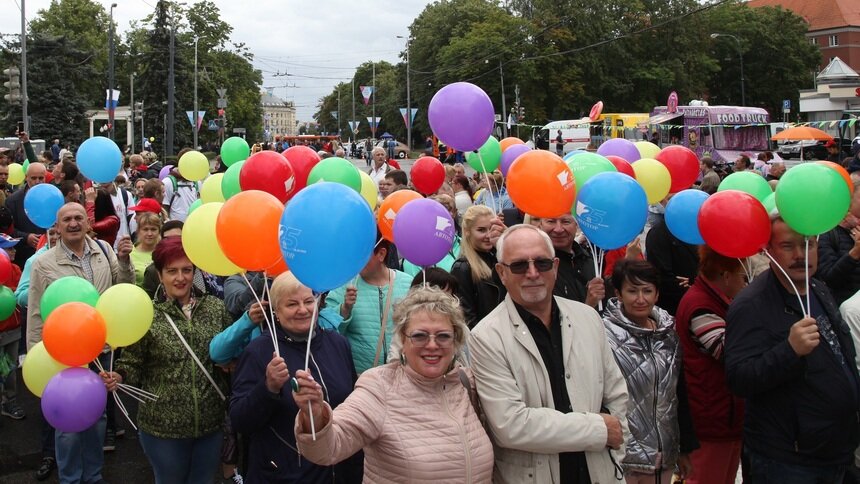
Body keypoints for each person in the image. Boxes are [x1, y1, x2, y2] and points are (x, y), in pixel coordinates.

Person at [469, 224, 629, 483]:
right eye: (519, 265)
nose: (532, 273)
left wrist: (616, 456)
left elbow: (617, 395)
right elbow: (511, 426)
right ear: (501, 272)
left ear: (555, 266)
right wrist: (600, 429)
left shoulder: (587, 318)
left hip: (599, 472)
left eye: (542, 263)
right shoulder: (486, 337)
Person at [293, 287, 494, 483]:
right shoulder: (380, 387)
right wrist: (316, 416)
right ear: (402, 342)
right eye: (419, 336)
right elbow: (328, 449)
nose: (432, 345)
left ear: (456, 341)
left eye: (443, 336)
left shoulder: (467, 382)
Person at [725, 217, 860, 481]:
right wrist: (789, 351)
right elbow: (739, 378)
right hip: (788, 460)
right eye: (788, 246)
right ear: (769, 251)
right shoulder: (751, 305)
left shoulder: (818, 288)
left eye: (807, 245)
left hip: (833, 451)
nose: (801, 255)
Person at [105, 236, 238, 484]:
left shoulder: (215, 309)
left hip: (210, 423)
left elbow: (229, 351)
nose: (180, 278)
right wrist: (119, 376)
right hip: (162, 428)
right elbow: (132, 362)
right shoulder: (146, 313)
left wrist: (233, 363)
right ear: (159, 273)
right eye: (172, 271)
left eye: (187, 270)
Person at [27, 202, 134, 484]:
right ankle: (71, 479)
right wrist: (35, 354)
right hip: (64, 353)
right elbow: (37, 312)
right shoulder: (43, 263)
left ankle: (94, 476)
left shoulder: (104, 250)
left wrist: (124, 262)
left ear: (87, 222)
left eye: (78, 218)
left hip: (100, 347)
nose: (73, 224)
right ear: (57, 227)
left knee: (97, 417)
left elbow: (122, 285)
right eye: (66, 220)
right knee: (68, 426)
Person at [227, 271, 362, 483]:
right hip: (286, 474)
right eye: (291, 304)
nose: (302, 310)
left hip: (340, 472)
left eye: (308, 301)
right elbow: (240, 420)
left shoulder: (337, 343)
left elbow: (353, 404)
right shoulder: (259, 352)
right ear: (276, 311)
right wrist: (268, 387)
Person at [602, 260, 697, 483]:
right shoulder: (603, 333)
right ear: (618, 293)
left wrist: (683, 448)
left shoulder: (669, 334)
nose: (640, 299)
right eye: (632, 291)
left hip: (663, 452)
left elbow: (678, 393)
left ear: (656, 294)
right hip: (620, 455)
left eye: (647, 291)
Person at [675, 246, 748, 484]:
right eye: (743, 277)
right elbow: (731, 353)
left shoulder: (716, 299)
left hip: (725, 417)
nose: (746, 283)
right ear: (726, 275)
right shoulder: (701, 306)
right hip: (711, 418)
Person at [325, 236, 412, 374]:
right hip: (359, 379)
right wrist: (344, 309)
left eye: (360, 255)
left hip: (402, 376)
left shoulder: (407, 283)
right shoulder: (343, 284)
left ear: (381, 254)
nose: (355, 261)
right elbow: (327, 331)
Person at [450, 205, 507, 327]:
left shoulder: (499, 258)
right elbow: (466, 318)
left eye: (491, 229)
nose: (488, 235)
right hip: (485, 340)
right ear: (467, 231)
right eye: (481, 230)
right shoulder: (462, 268)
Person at [539, 214, 604, 308]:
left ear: (576, 225)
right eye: (551, 221)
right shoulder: (537, 267)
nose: (558, 229)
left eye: (566, 222)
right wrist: (589, 305)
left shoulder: (588, 259)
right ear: (540, 225)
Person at [645, 210, 699, 316]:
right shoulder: (659, 233)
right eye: (669, 198)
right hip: (673, 307)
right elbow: (662, 275)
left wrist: (695, 281)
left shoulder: (698, 229)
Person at [817, 189, 860, 306]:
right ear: (849, 202)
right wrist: (854, 253)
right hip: (846, 310)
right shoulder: (828, 233)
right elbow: (829, 279)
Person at [6, 162, 47, 268]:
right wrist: (26, 237)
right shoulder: (13, 200)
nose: (37, 182)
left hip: (48, 255)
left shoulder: (53, 197)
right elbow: (7, 231)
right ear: (26, 177)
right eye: (33, 178)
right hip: (23, 257)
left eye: (41, 178)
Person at [128, 211, 161, 286]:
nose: (149, 234)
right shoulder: (129, 254)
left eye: (153, 229)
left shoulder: (164, 252)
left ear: (159, 231)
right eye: (145, 229)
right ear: (138, 231)